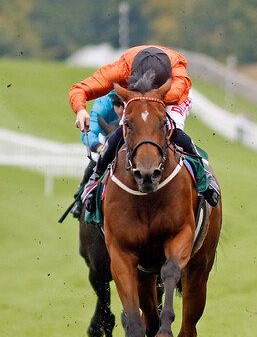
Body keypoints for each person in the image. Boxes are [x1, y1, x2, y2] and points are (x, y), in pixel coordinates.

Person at [69, 45, 220, 210]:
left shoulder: (176, 66)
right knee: (125, 130)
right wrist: (80, 109)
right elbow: (80, 88)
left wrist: (152, 99)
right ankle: (95, 179)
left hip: (168, 98)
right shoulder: (123, 67)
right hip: (137, 95)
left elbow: (177, 92)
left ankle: (204, 176)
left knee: (172, 128)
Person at [69, 91, 124, 218]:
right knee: (96, 161)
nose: (121, 110)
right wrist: (98, 147)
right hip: (109, 140)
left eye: (123, 104)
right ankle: (80, 198)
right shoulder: (102, 104)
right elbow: (89, 131)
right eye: (116, 104)